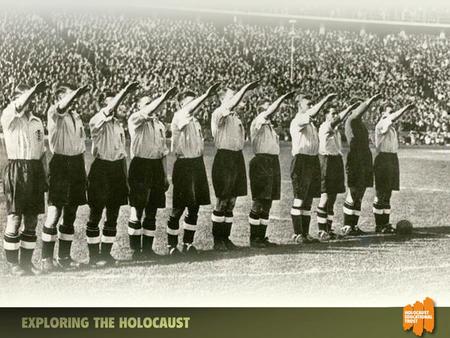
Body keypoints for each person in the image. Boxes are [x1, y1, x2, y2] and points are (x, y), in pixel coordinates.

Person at [86, 82, 139, 267]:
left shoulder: (118, 125)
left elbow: (122, 154)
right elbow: (109, 109)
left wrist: (125, 178)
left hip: (117, 169)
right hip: (101, 169)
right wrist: (124, 91)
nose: (115, 106)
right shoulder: (96, 120)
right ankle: (94, 256)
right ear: (104, 106)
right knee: (96, 213)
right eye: (111, 103)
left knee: (113, 214)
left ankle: (106, 254)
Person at [167, 83, 220, 255]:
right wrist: (205, 95)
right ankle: (171, 245)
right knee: (179, 207)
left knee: (195, 206)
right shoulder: (179, 116)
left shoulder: (195, 121)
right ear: (182, 104)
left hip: (197, 164)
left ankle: (188, 243)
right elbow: (189, 111)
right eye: (190, 102)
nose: (194, 104)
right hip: (184, 164)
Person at [41, 84, 89, 272]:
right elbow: (62, 107)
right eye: (69, 94)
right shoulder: (54, 112)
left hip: (76, 164)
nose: (73, 97)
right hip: (61, 164)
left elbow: (81, 145)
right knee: (54, 213)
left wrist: (83, 170)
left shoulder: (76, 116)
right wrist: (76, 93)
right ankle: (46, 259)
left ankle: (64, 257)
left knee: (71, 214)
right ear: (60, 96)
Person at [1, 81, 47, 275]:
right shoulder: (9, 115)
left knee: (32, 219)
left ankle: (27, 263)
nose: (31, 100)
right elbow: (20, 104)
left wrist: (45, 176)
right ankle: (13, 264)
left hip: (35, 169)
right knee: (15, 217)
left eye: (32, 96)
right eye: (27, 96)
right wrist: (33, 89)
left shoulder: (37, 121)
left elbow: (42, 152)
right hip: (17, 169)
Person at [127, 87, 177, 260]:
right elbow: (148, 111)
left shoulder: (159, 125)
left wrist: (165, 175)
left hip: (156, 167)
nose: (151, 107)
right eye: (147, 104)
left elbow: (163, 152)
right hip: (140, 165)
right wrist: (163, 97)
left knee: (152, 209)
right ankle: (135, 250)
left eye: (151, 103)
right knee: (137, 208)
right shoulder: (135, 119)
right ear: (140, 107)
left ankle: (148, 249)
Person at [210, 80, 259, 251]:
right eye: (231, 96)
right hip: (224, 158)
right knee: (222, 200)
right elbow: (232, 105)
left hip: (237, 158)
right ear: (223, 99)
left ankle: (226, 237)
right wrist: (245, 89)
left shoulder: (235, 117)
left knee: (232, 201)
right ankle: (217, 240)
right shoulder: (218, 113)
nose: (235, 99)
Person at [248, 91, 295, 247]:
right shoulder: (258, 121)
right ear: (260, 110)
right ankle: (254, 238)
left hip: (272, 162)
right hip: (261, 162)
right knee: (259, 200)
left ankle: (262, 237)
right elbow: (269, 112)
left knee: (268, 201)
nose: (272, 111)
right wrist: (281, 98)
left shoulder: (269, 126)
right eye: (267, 108)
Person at [290, 93, 337, 244]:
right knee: (299, 198)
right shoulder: (299, 119)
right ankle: (297, 234)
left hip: (312, 160)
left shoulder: (310, 123)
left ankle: (305, 233)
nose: (310, 106)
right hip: (301, 160)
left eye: (311, 104)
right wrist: (325, 100)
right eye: (307, 104)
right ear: (299, 105)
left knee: (308, 200)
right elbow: (312, 113)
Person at [316, 103, 358, 241]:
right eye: (332, 113)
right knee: (325, 196)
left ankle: (328, 229)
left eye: (335, 113)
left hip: (336, 161)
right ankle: (322, 231)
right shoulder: (324, 127)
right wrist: (348, 110)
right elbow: (336, 121)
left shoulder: (336, 131)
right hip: (326, 161)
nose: (335, 116)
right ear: (326, 115)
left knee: (332, 198)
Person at [342, 94, 381, 236]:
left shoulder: (360, 123)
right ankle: (347, 225)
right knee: (353, 191)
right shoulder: (351, 120)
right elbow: (360, 110)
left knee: (361, 192)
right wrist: (371, 99)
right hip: (356, 158)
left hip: (365, 158)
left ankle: (354, 225)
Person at [373, 103, 414, 233]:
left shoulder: (391, 128)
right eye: (388, 112)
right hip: (383, 158)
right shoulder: (381, 124)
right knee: (381, 193)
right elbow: (393, 118)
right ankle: (379, 225)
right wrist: (405, 108)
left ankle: (385, 223)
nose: (391, 114)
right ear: (382, 114)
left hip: (392, 159)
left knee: (388, 192)